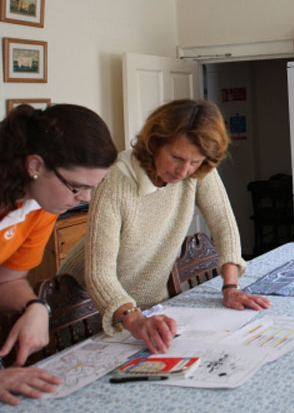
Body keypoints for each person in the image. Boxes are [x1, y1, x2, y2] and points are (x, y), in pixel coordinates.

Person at [60, 99, 270, 355]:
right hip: (87, 306)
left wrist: (231, 287)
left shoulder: (198, 170)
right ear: (154, 144)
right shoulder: (115, 180)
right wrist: (133, 317)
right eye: (176, 158)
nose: (183, 171)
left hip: (149, 311)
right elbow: (99, 274)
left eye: (194, 162)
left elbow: (223, 224)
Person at [0, 104, 117, 406]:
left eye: (93, 188)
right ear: (35, 165)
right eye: (76, 187)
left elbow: (8, 279)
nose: (85, 199)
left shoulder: (41, 208)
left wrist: (35, 306)